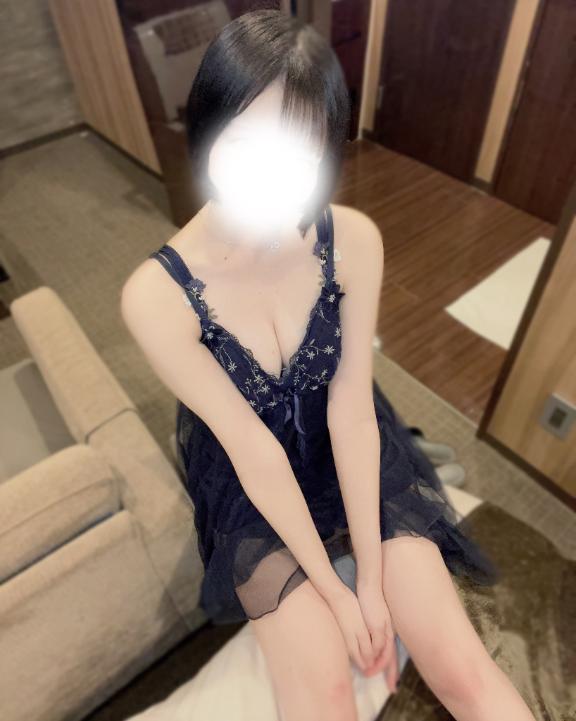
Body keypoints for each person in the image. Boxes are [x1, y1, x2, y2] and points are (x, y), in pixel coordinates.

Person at [121, 9, 536, 721]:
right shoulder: (156, 296)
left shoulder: (354, 240)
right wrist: (336, 594)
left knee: (463, 669)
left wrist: (370, 578)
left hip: (347, 434)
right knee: (324, 696)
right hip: (250, 471)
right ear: (209, 134)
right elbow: (252, 449)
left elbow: (349, 405)